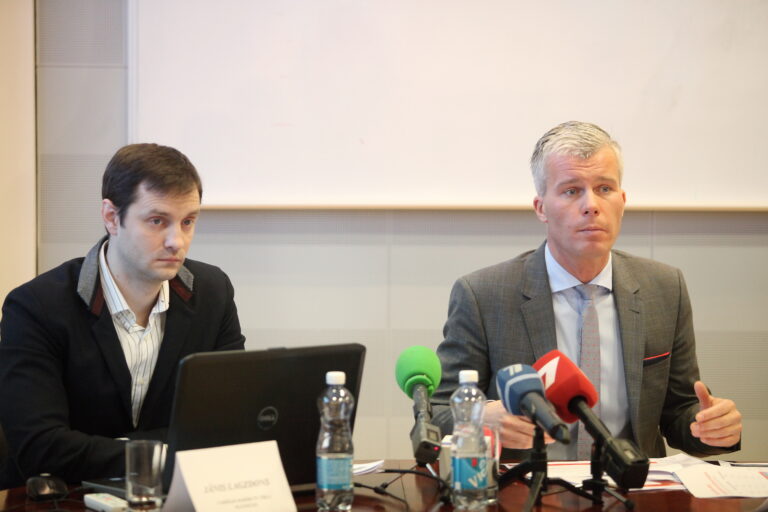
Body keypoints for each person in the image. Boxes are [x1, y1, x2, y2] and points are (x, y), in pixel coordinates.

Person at [430, 121, 742, 460]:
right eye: (571, 191)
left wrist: (709, 427)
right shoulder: (483, 295)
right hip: (530, 485)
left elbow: (679, 413)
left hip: (632, 483)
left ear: (622, 201)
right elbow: (436, 414)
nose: (591, 205)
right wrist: (477, 418)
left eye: (604, 188)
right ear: (541, 208)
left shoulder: (665, 288)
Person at [0, 144, 245, 488]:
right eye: (157, 221)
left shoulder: (213, 292)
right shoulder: (36, 307)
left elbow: (230, 422)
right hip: (63, 499)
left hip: (173, 496)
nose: (177, 241)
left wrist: (111, 449)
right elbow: (41, 447)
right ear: (112, 218)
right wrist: (162, 452)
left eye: (188, 222)